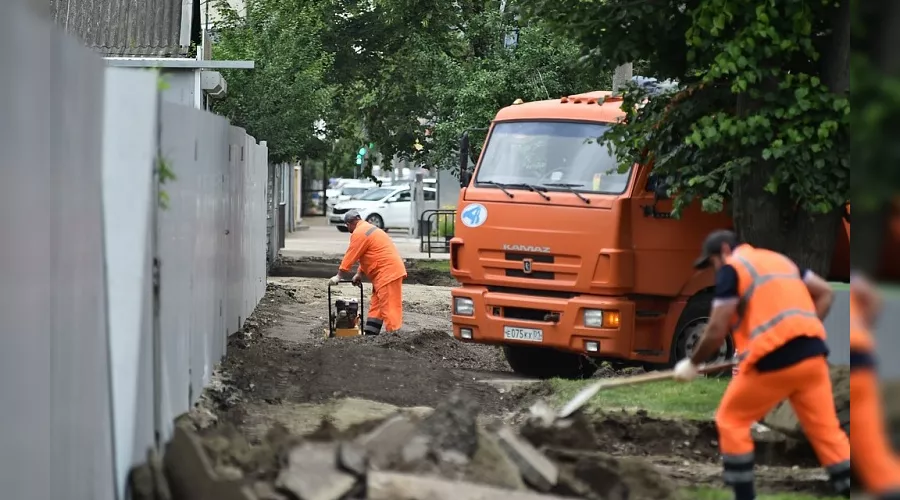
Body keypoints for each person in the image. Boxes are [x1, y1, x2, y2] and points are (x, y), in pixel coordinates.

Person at [673, 229, 851, 499]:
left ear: (723, 251)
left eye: (712, 263)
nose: (714, 270)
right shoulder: (781, 261)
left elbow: (717, 327)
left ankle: (743, 495)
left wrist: (692, 363)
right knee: (826, 431)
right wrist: (805, 329)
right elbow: (825, 292)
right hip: (812, 356)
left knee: (731, 420)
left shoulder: (732, 269)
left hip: (774, 361)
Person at [849, 271, 900, 497]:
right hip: (864, 359)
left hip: (854, 359)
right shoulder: (857, 280)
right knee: (872, 447)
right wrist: (866, 325)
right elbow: (873, 298)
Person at [330, 210, 407, 335]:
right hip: (384, 273)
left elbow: (351, 254)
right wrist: (360, 273)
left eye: (347, 226)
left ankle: (395, 337)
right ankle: (371, 335)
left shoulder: (359, 233)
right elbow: (368, 255)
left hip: (387, 273)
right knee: (377, 307)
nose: (348, 228)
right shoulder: (369, 229)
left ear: (350, 223)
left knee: (390, 308)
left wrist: (339, 275)